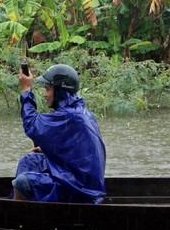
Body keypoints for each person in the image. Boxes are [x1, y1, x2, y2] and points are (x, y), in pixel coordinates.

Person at [12, 64, 107, 203]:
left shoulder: (70, 115)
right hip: (76, 177)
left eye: (47, 89)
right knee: (29, 161)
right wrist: (46, 150)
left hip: (80, 189)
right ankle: (29, 209)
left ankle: (19, 221)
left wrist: (26, 89)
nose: (44, 94)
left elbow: (31, 125)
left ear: (60, 91)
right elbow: (75, 150)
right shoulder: (78, 111)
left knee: (23, 183)